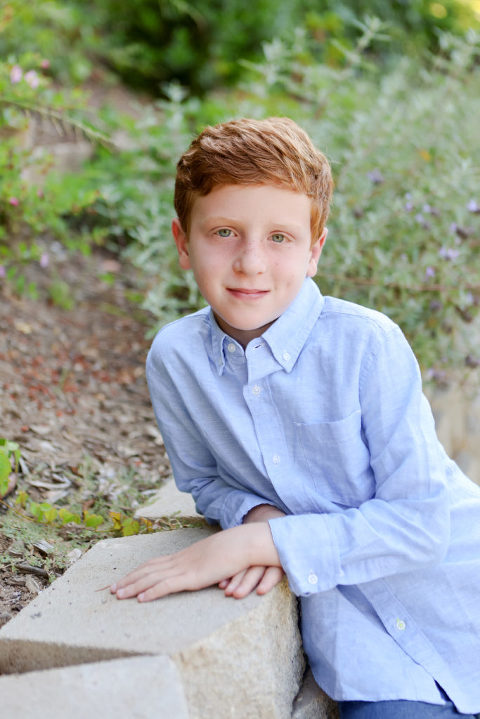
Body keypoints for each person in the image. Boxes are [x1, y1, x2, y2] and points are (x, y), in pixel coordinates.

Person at [110, 117, 480, 718]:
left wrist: (264, 542)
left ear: (315, 251)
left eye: (279, 237)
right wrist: (256, 515)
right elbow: (205, 481)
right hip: (368, 652)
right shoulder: (175, 360)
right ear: (182, 242)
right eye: (224, 232)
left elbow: (420, 523)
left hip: (459, 596)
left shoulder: (368, 345)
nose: (251, 263)